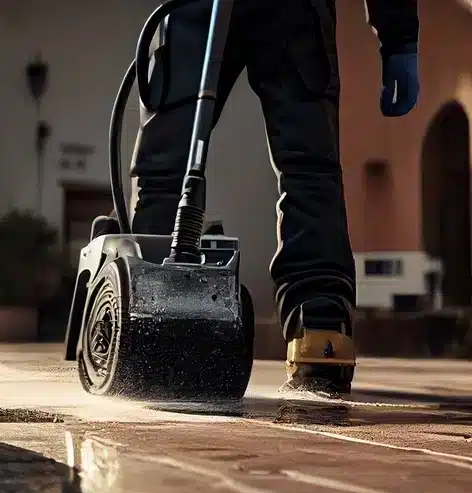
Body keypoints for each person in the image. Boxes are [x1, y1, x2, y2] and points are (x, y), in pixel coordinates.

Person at [99, 0, 419, 394]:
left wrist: (400, 37)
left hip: (205, 12)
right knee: (307, 167)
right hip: (293, 13)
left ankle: (146, 323)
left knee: (169, 164)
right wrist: (398, 37)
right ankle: (319, 329)